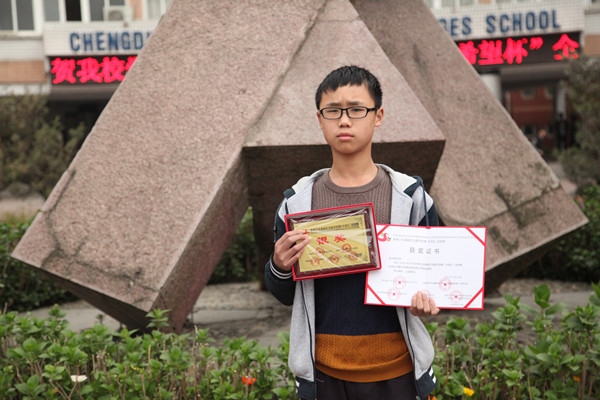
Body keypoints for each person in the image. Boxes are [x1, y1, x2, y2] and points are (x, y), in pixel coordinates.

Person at [264, 65, 440, 400]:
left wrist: (428, 300)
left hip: (399, 372)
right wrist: (279, 265)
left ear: (378, 116)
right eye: (333, 111)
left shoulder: (410, 197)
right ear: (320, 120)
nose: (344, 121)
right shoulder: (296, 203)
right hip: (325, 374)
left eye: (357, 109)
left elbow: (436, 276)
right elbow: (284, 294)